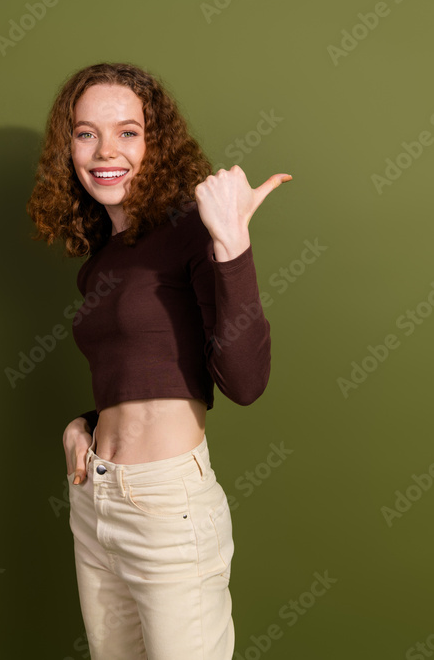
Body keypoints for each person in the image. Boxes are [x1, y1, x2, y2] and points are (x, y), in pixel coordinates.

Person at [27, 62, 290, 660]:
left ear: (157, 143)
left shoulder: (193, 234)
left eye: (128, 131)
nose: (104, 151)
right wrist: (85, 424)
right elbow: (145, 369)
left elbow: (245, 382)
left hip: (167, 506)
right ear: (67, 148)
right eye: (85, 133)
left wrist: (232, 244)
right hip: (93, 501)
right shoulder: (101, 261)